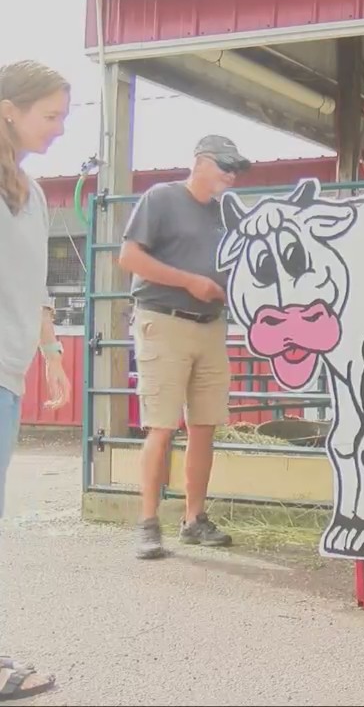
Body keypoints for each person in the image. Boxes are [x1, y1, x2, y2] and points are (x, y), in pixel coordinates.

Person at [116, 135, 250, 559]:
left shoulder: (225, 215)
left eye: (236, 168)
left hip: (211, 326)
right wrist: (189, 282)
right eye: (225, 164)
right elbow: (130, 258)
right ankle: (148, 523)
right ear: (200, 161)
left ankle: (194, 520)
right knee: (161, 425)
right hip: (164, 321)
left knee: (205, 425)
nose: (231, 174)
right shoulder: (161, 198)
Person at [0, 59, 71, 701]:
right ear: (8, 109)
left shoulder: (34, 193)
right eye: (50, 116)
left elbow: (37, 286)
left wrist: (50, 352)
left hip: (10, 376)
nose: (58, 130)